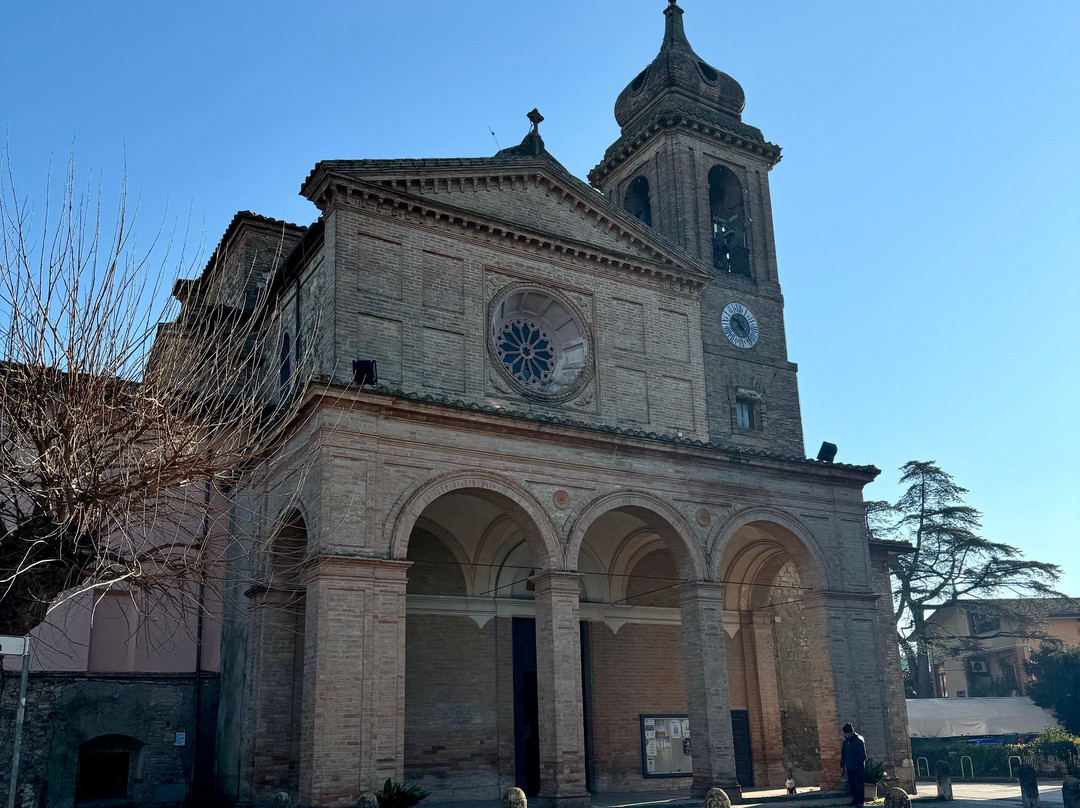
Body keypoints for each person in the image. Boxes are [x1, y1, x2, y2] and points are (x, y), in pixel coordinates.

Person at [840, 722, 866, 807]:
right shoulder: (846, 741)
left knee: (859, 785)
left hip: (858, 768)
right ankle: (855, 800)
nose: (845, 735)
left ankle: (860, 801)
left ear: (850, 732)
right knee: (852, 785)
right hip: (850, 767)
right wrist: (843, 764)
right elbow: (843, 754)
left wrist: (856, 764)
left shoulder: (859, 740)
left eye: (846, 733)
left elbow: (862, 755)